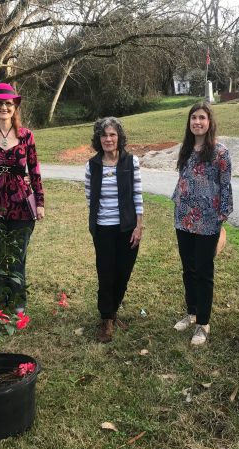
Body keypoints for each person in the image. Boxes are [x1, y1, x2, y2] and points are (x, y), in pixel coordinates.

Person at [0, 83, 45, 314]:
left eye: (8, 103)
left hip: (22, 204)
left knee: (17, 256)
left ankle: (16, 302)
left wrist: (40, 202)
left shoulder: (26, 136)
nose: (3, 107)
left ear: (14, 107)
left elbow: (34, 170)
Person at [172, 102, 233, 346]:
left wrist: (223, 215)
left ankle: (203, 323)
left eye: (202, 118)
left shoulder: (220, 151)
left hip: (208, 219)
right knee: (188, 269)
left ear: (209, 122)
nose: (197, 122)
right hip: (184, 216)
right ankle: (192, 312)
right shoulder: (185, 149)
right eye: (193, 118)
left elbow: (225, 184)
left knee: (204, 270)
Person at [85, 117, 143, 343]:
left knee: (123, 272)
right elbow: (90, 197)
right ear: (98, 139)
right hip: (103, 228)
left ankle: (113, 310)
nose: (108, 139)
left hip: (127, 227)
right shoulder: (92, 165)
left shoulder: (131, 162)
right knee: (106, 273)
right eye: (104, 135)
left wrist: (139, 225)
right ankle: (106, 318)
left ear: (119, 137)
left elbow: (137, 195)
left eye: (112, 135)